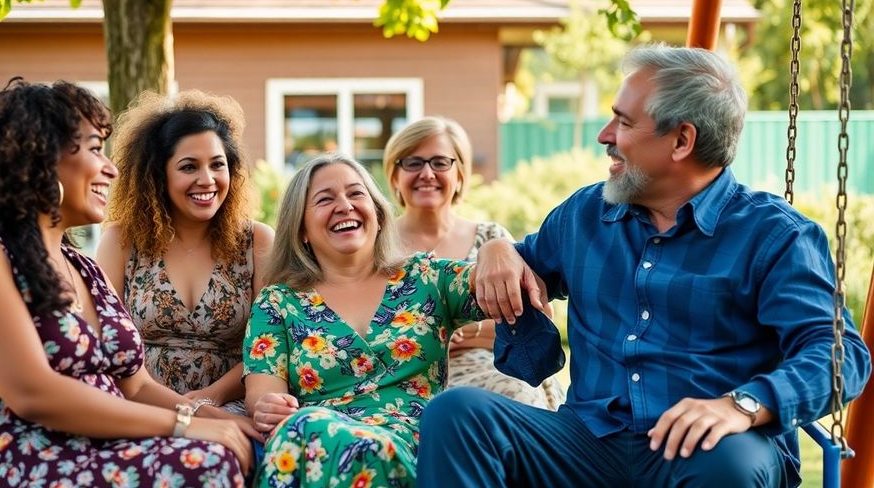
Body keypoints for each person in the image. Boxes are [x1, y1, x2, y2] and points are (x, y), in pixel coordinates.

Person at [417, 45, 872, 487]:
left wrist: (742, 406)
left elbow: (840, 355)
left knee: (730, 464)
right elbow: (522, 263)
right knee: (457, 415)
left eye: (624, 121)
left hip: (708, 445)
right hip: (589, 441)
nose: (605, 135)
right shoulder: (585, 214)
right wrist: (499, 249)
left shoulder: (775, 235)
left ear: (681, 140)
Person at [0, 79, 259, 486]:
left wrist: (212, 417)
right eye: (94, 149)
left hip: (94, 444)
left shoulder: (83, 267)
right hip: (12, 452)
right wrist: (184, 427)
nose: (111, 168)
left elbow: (134, 386)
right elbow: (33, 393)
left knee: (229, 451)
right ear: (38, 156)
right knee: (205, 464)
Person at [242, 154, 554, 487]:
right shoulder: (278, 302)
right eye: (325, 199)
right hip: (321, 444)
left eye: (356, 193)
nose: (345, 205)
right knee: (308, 428)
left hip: (419, 445)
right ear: (301, 228)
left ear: (377, 213)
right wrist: (268, 407)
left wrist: (497, 248)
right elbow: (263, 395)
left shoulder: (426, 277)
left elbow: (523, 291)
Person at [97, 90, 273, 415]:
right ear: (157, 175)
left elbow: (270, 346)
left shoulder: (257, 242)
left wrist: (211, 398)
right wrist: (179, 410)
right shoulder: (121, 241)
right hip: (140, 406)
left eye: (217, 165)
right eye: (189, 167)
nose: (206, 179)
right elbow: (105, 343)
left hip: (230, 407)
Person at [383, 116, 564, 409]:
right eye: (413, 162)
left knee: (517, 400)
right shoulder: (376, 246)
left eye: (440, 162)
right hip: (404, 383)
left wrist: (470, 332)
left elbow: (537, 316)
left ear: (460, 175)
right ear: (394, 175)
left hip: (495, 374)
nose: (427, 173)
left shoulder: (491, 240)